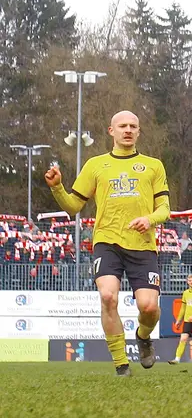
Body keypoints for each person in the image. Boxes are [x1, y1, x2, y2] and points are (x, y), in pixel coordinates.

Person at [45, 110, 169, 377]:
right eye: (122, 126)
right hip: (107, 242)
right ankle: (121, 364)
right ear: (110, 131)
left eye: (133, 126)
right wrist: (57, 188)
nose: (128, 130)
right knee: (108, 296)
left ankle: (143, 337)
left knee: (148, 307)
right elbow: (73, 206)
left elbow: (165, 209)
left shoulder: (153, 165)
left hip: (143, 245)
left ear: (139, 131)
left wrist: (149, 219)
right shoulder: (95, 165)